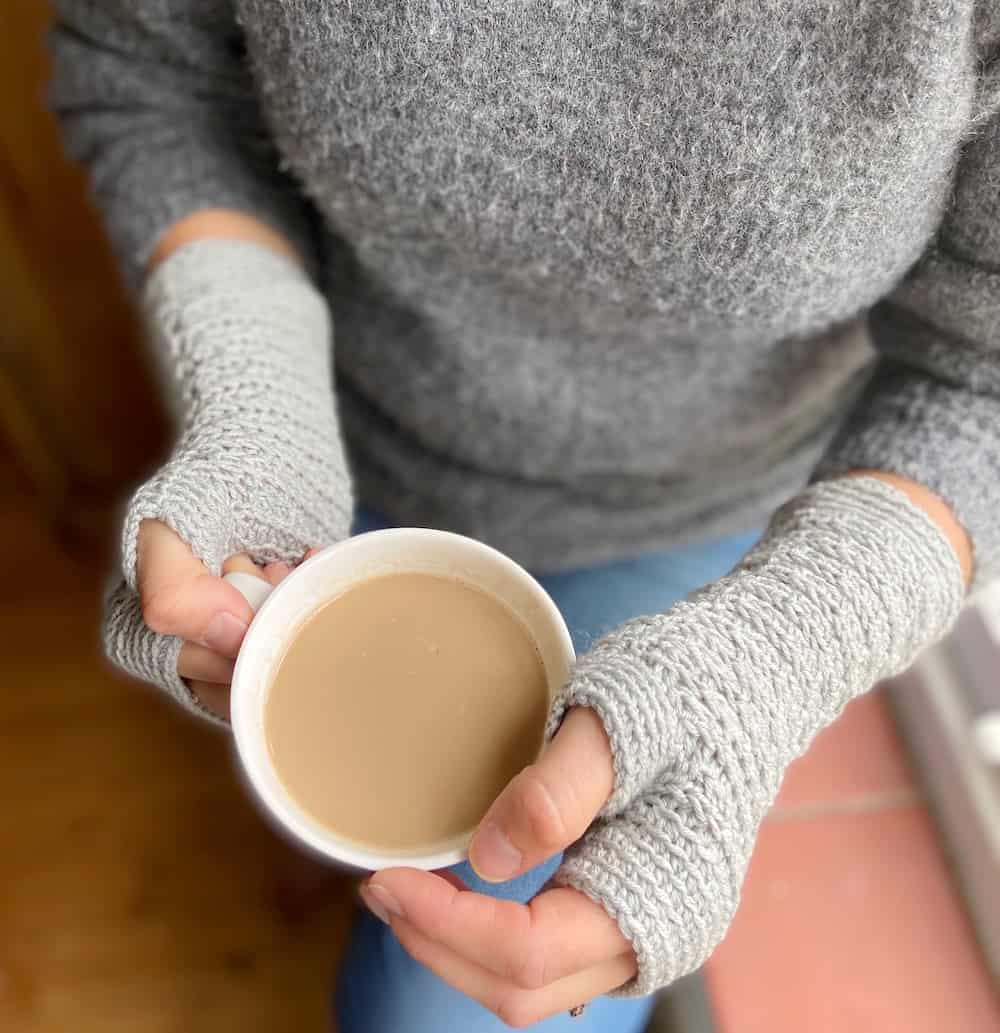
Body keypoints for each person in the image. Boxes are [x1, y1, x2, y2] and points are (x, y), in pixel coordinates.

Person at [50, 3, 996, 1030]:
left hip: (689, 520)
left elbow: (982, 376)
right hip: (325, 434)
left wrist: (767, 660)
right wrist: (254, 400)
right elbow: (155, 80)